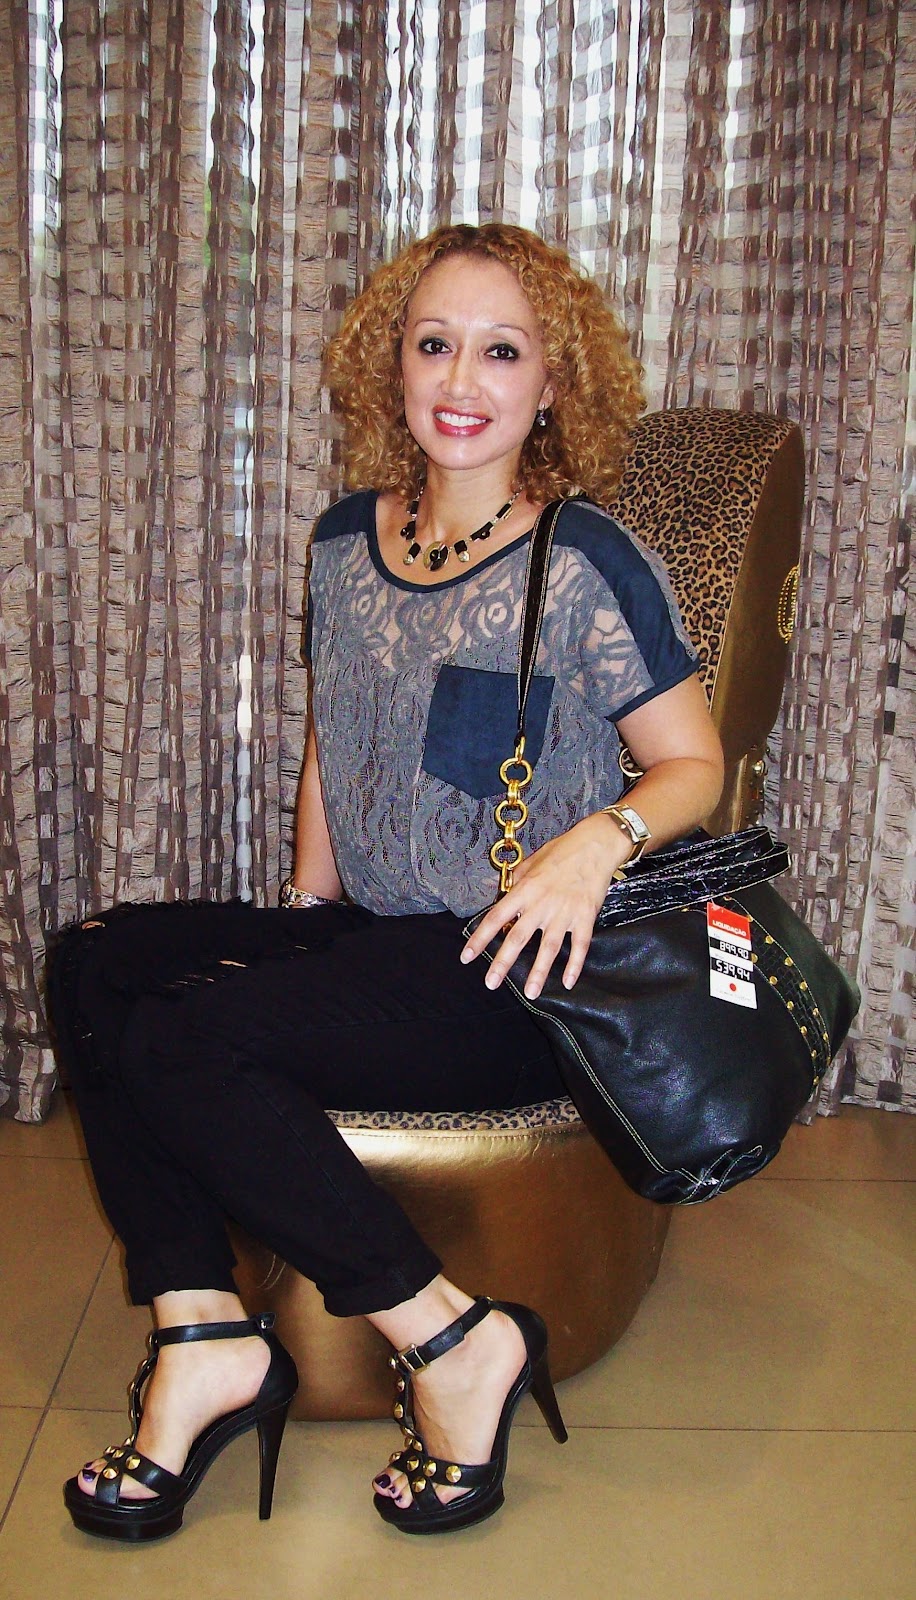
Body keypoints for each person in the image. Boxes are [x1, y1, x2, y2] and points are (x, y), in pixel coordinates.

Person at [49, 222, 724, 1541]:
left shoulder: (584, 560)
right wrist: (304, 918)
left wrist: (596, 844)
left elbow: (693, 764)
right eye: (434, 344)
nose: (462, 379)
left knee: (182, 1039)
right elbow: (334, 731)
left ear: (553, 383)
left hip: (515, 969)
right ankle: (202, 1328)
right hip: (376, 937)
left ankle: (452, 1340)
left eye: (502, 350)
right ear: (391, 367)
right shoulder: (344, 541)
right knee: (93, 964)